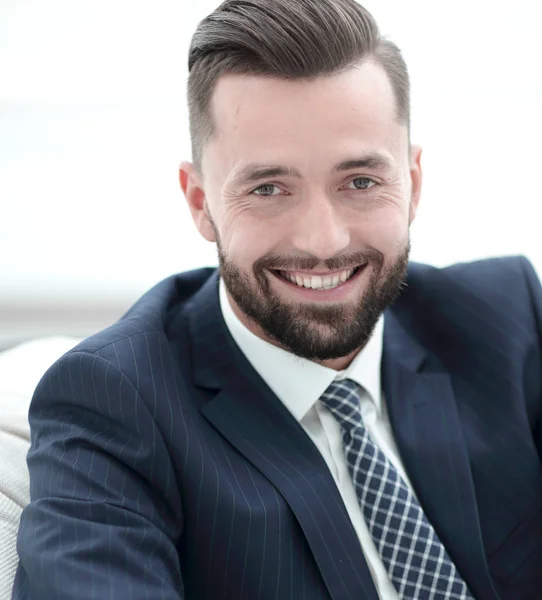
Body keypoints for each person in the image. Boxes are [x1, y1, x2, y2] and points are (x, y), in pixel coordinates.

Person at [12, 0, 542, 598]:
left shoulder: (509, 319)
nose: (324, 241)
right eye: (268, 188)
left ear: (412, 185)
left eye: (361, 182)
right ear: (199, 201)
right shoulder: (112, 404)